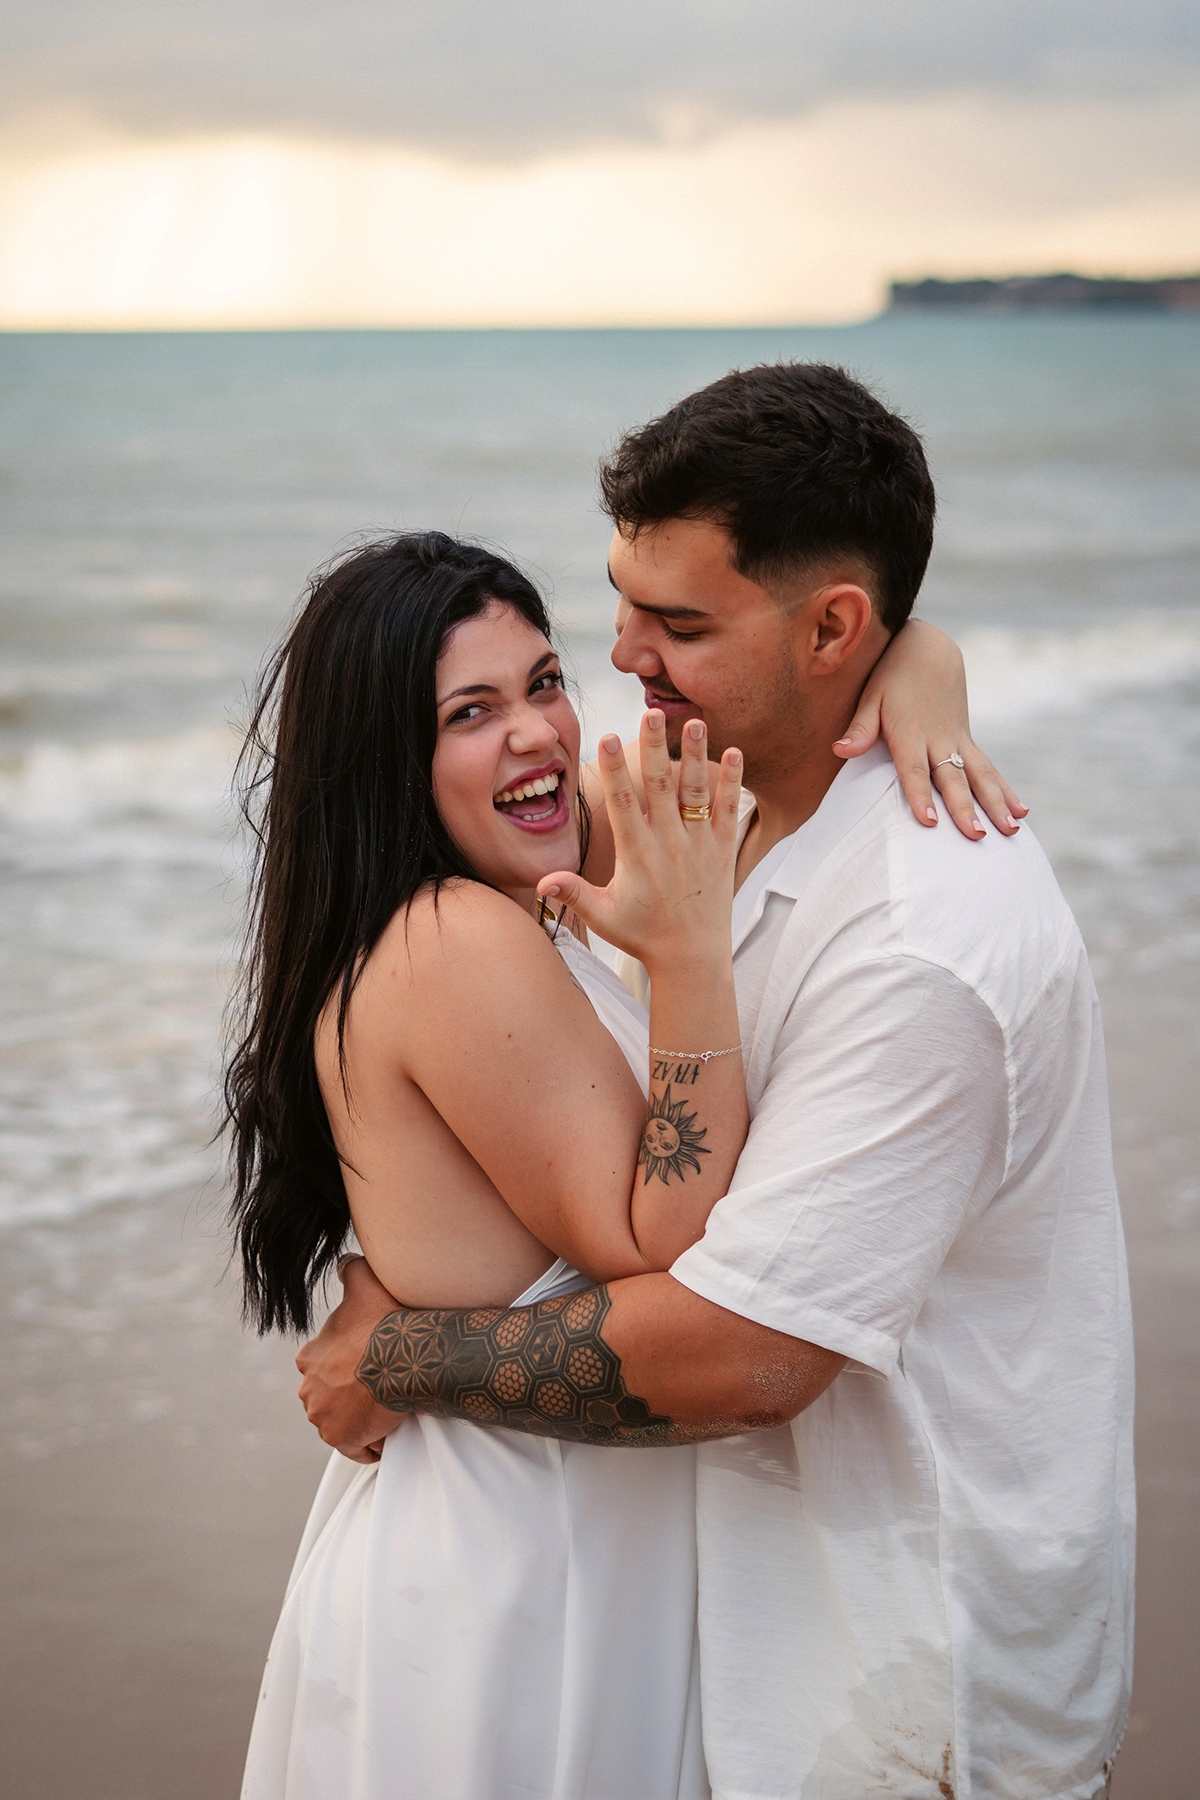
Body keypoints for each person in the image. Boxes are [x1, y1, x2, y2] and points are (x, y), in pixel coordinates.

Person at [299, 364, 1134, 1800]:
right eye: (619, 610)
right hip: (705, 1637)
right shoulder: (701, 801)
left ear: (833, 634)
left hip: (899, 1683)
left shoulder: (923, 939)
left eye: (675, 624)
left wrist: (399, 1352)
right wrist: (911, 652)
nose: (621, 663)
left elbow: (742, 1356)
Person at [229, 517, 1004, 1795]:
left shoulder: (515, 867)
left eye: (542, 682)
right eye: (468, 712)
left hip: (570, 1544)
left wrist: (919, 656)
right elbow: (672, 1246)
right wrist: (692, 956)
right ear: (387, 759)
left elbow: (758, 736)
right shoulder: (448, 940)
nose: (535, 734)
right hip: (522, 1577)